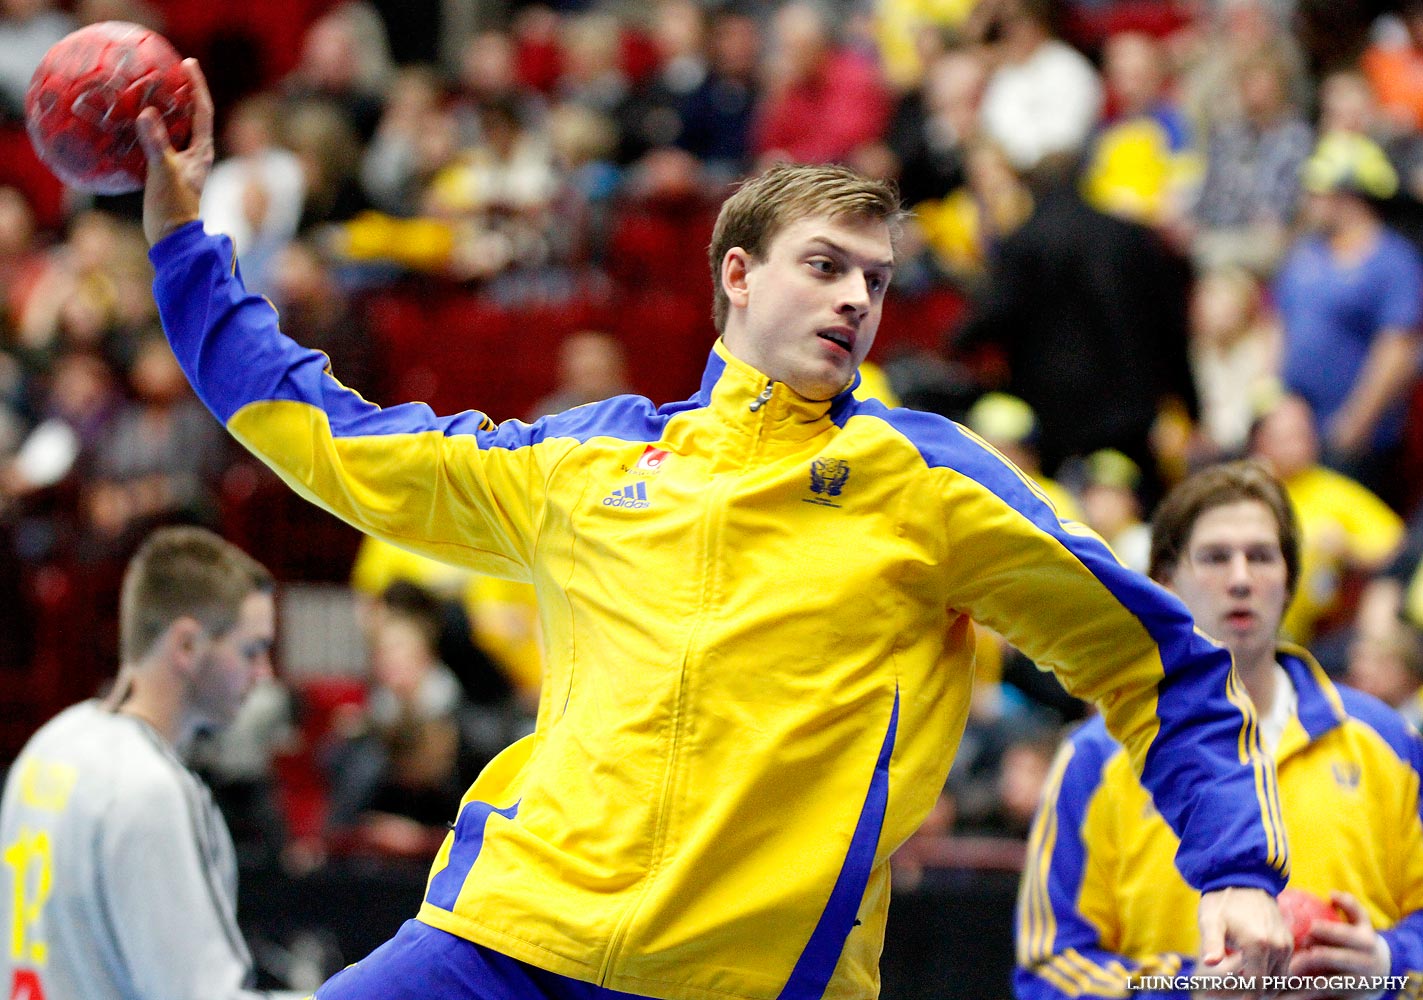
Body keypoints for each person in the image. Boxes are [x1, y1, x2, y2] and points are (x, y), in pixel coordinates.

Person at [137, 61, 1291, 1000]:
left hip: (752, 979)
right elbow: (329, 435)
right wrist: (187, 246)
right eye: (825, 267)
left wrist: (1234, 867)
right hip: (510, 941)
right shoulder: (581, 460)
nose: (854, 299)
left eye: (875, 281)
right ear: (736, 276)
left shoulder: (922, 477)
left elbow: (1147, 657)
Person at [1015, 461, 1423, 998]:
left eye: (1260, 556)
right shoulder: (1096, 756)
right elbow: (1047, 969)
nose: (1240, 578)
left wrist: (1387, 969)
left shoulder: (1386, 740)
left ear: (1289, 581)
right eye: (1214, 557)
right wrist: (1186, 991)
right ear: (1163, 582)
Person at [0, 525, 305, 999]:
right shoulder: (151, 787)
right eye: (251, 650)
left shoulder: (47, 747)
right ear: (187, 645)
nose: (263, 674)